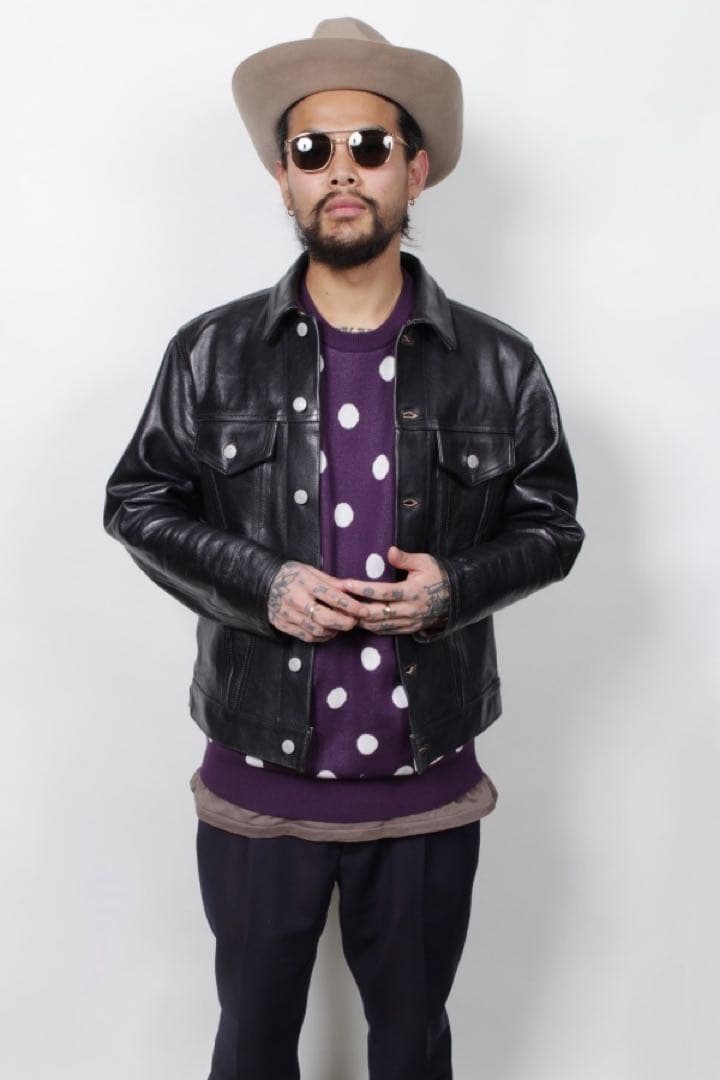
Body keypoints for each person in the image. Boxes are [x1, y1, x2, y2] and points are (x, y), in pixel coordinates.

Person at [103, 16, 585, 1080]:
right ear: (283, 178)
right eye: (312, 149)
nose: (341, 170)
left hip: (425, 788)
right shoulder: (210, 352)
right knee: (251, 1048)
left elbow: (553, 525)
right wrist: (262, 582)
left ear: (416, 170)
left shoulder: (499, 363)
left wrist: (455, 587)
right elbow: (137, 500)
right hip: (257, 787)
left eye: (369, 145)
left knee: (411, 1050)